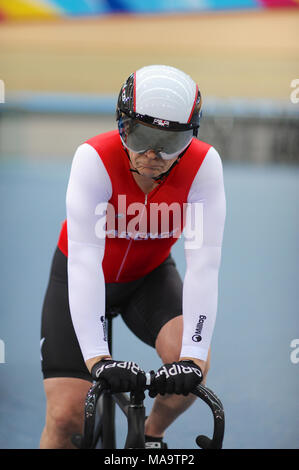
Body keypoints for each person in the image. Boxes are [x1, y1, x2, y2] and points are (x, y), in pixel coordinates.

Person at [39, 64, 226, 449]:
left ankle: (150, 435)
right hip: (80, 276)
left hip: (149, 277)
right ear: (121, 124)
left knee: (194, 371)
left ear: (191, 138)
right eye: (140, 135)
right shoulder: (93, 157)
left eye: (169, 142)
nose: (153, 154)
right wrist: (98, 361)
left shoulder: (204, 165)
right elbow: (84, 263)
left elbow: (204, 266)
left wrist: (190, 359)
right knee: (67, 418)